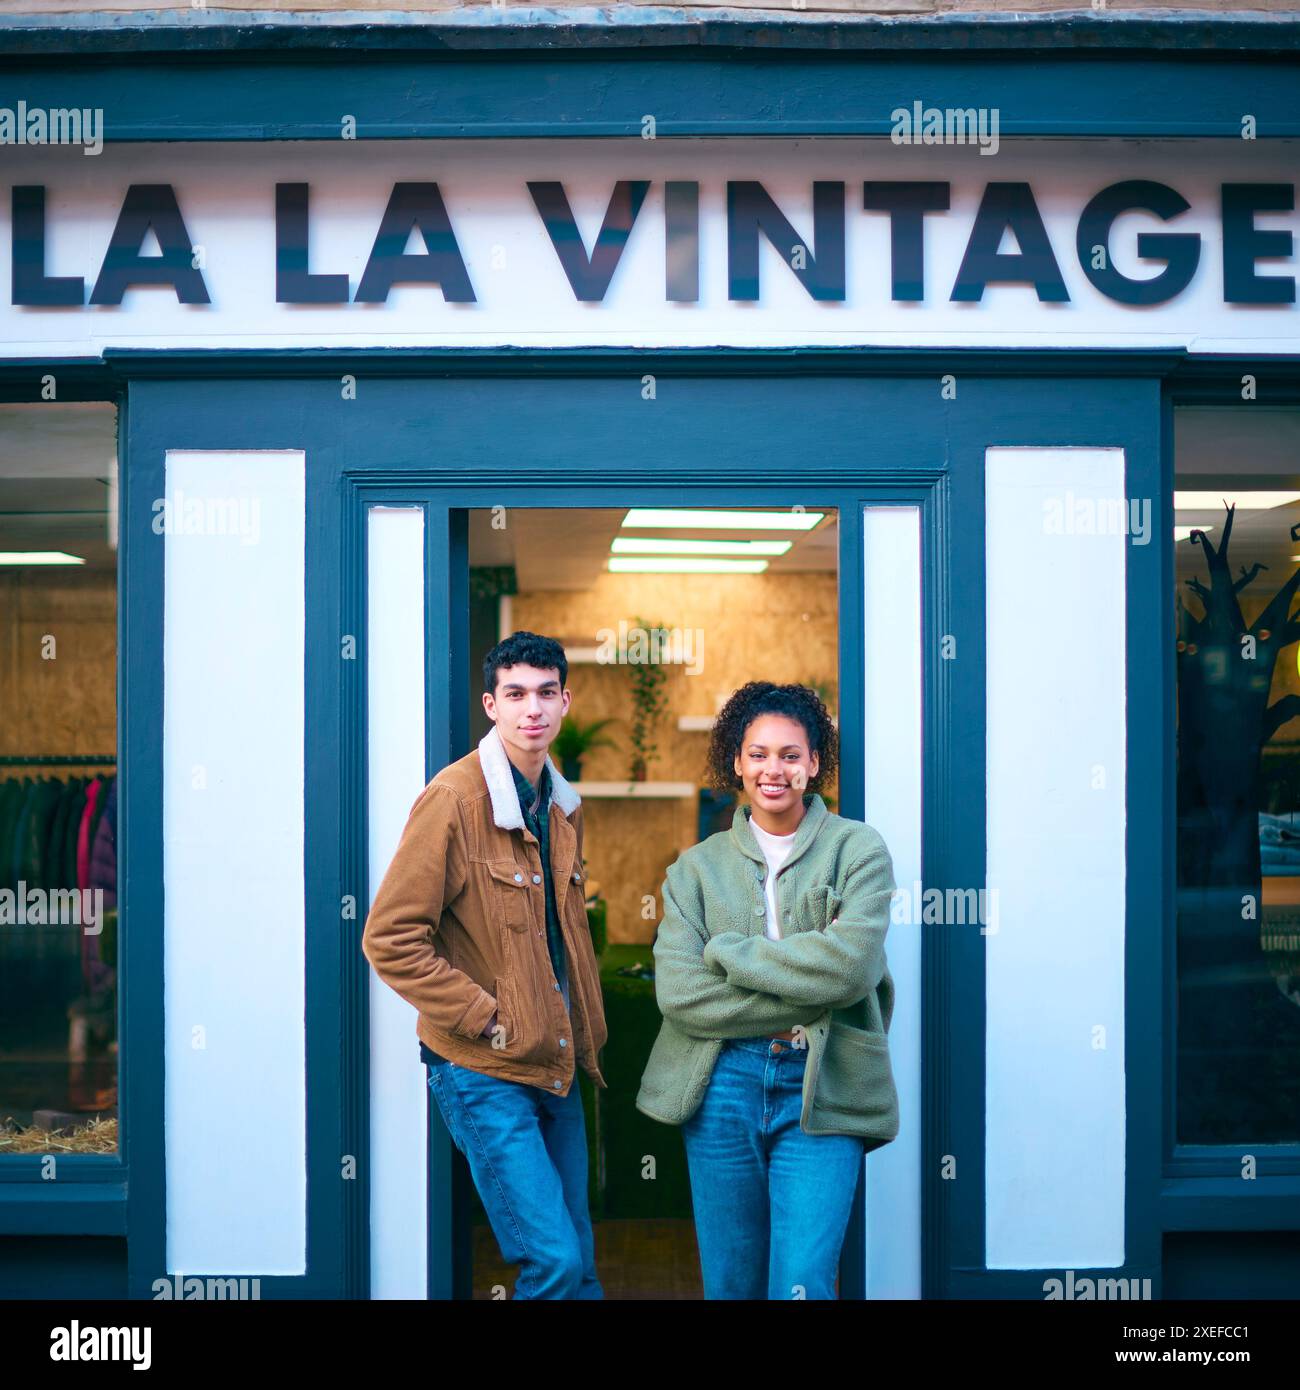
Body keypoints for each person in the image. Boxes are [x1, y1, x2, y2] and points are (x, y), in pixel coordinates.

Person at [362, 630, 608, 1299]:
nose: (533, 708)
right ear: (490, 705)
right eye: (516, 693)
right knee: (552, 1262)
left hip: (556, 1064)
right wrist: (488, 1017)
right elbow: (390, 938)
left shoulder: (562, 805)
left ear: (565, 702)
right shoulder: (454, 799)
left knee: (579, 1265)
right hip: (485, 1068)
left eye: (546, 693)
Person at [636, 680, 899, 1300]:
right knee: (731, 1283)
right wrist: (811, 975)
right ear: (736, 762)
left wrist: (727, 953)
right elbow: (680, 995)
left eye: (789, 754)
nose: (772, 769)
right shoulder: (694, 870)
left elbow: (851, 971)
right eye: (757, 754)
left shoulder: (858, 851)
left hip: (825, 1078)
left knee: (802, 1282)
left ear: (814, 763)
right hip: (722, 1083)